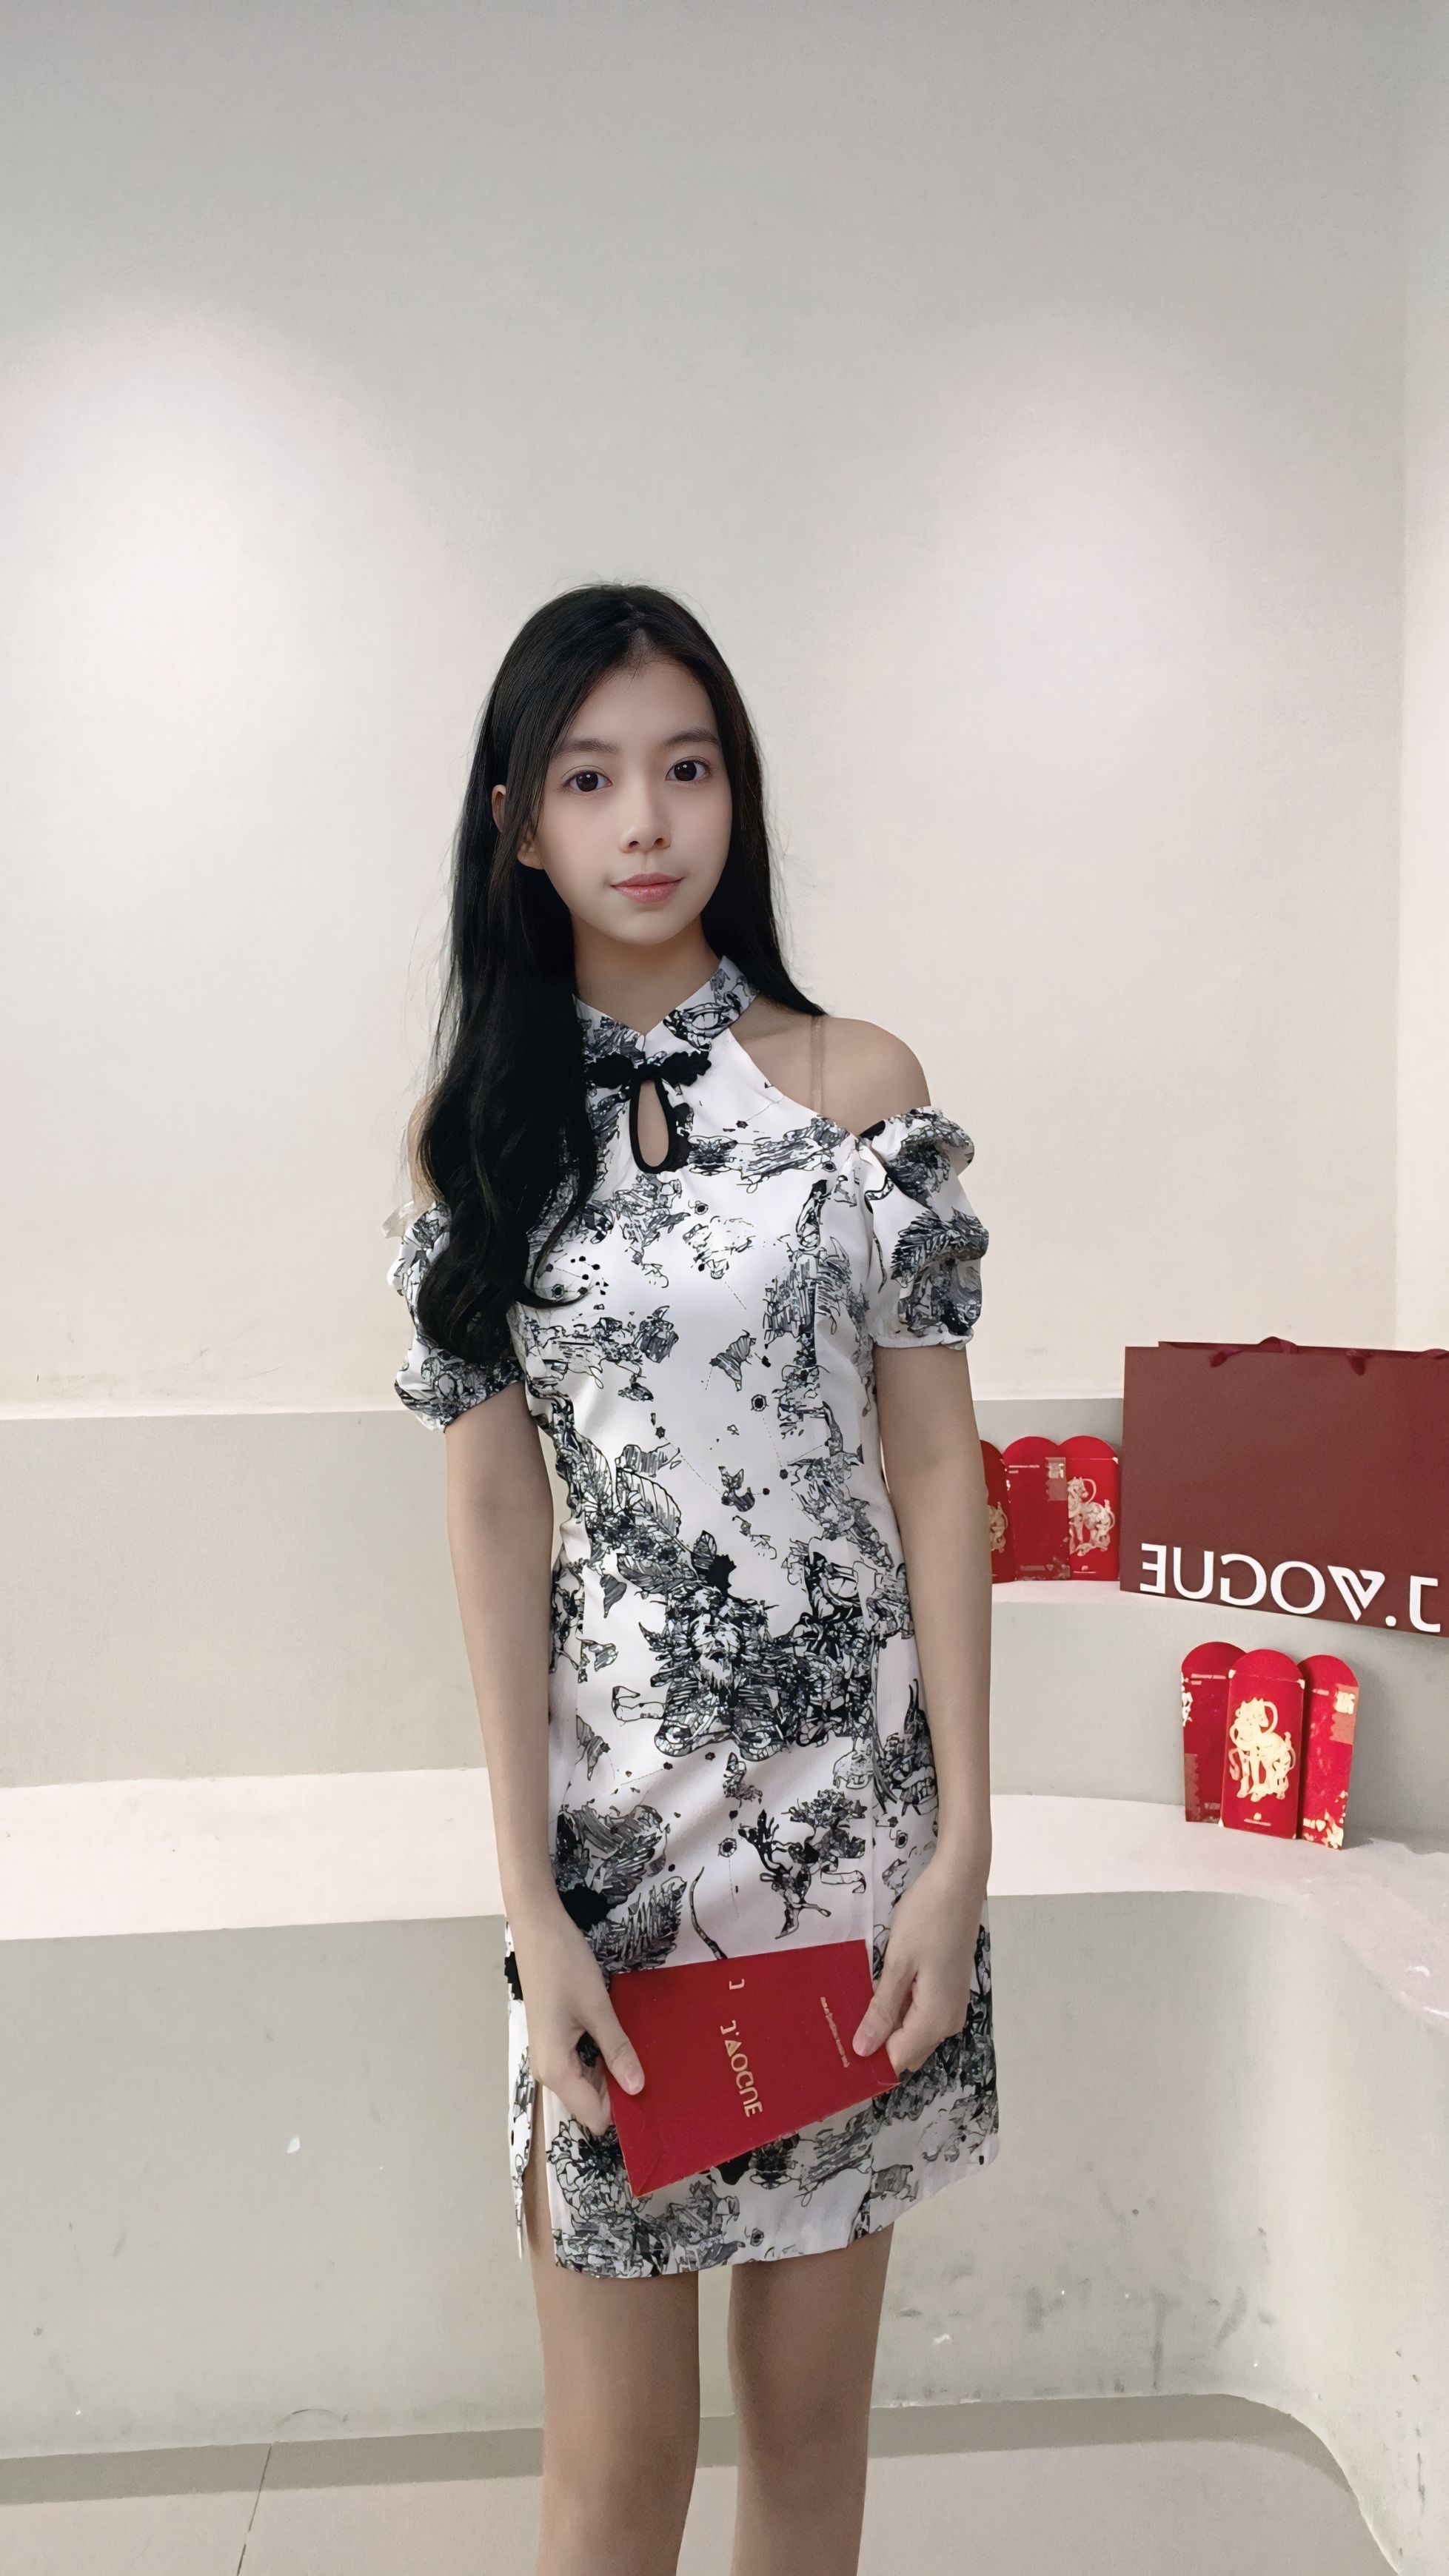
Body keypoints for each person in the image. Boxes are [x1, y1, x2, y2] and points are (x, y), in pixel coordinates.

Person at [386, 583, 997, 2576]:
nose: (646, 821)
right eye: (588, 779)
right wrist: (526, 1897)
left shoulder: (856, 1093)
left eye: (686, 766)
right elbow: (497, 1523)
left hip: (852, 1847)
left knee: (810, 2451)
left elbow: (937, 1467)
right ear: (516, 826)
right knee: (614, 2471)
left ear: (736, 791)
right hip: (617, 1865)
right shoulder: (482, 1146)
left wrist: (962, 1847)